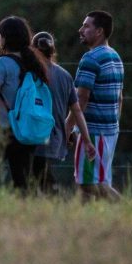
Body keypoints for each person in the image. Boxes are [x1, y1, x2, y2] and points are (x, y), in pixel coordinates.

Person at [0, 16, 50, 190]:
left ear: (5, 38)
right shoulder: (34, 63)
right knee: (22, 184)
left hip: (1, 130)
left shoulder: (0, 64)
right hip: (25, 131)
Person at [67, 10, 124, 201]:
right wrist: (114, 126)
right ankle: (84, 226)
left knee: (88, 183)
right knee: (90, 184)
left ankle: (131, 210)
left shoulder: (90, 59)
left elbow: (80, 100)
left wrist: (66, 128)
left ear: (99, 31)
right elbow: (120, 97)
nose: (80, 30)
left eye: (86, 26)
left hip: (93, 132)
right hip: (110, 131)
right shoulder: (115, 56)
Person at [30, 32, 96, 193]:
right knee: (39, 175)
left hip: (31, 136)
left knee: (36, 177)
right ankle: (52, 198)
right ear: (53, 51)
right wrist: (86, 140)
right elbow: (77, 110)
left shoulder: (29, 74)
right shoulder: (65, 76)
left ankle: (55, 195)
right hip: (55, 138)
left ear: (33, 50)